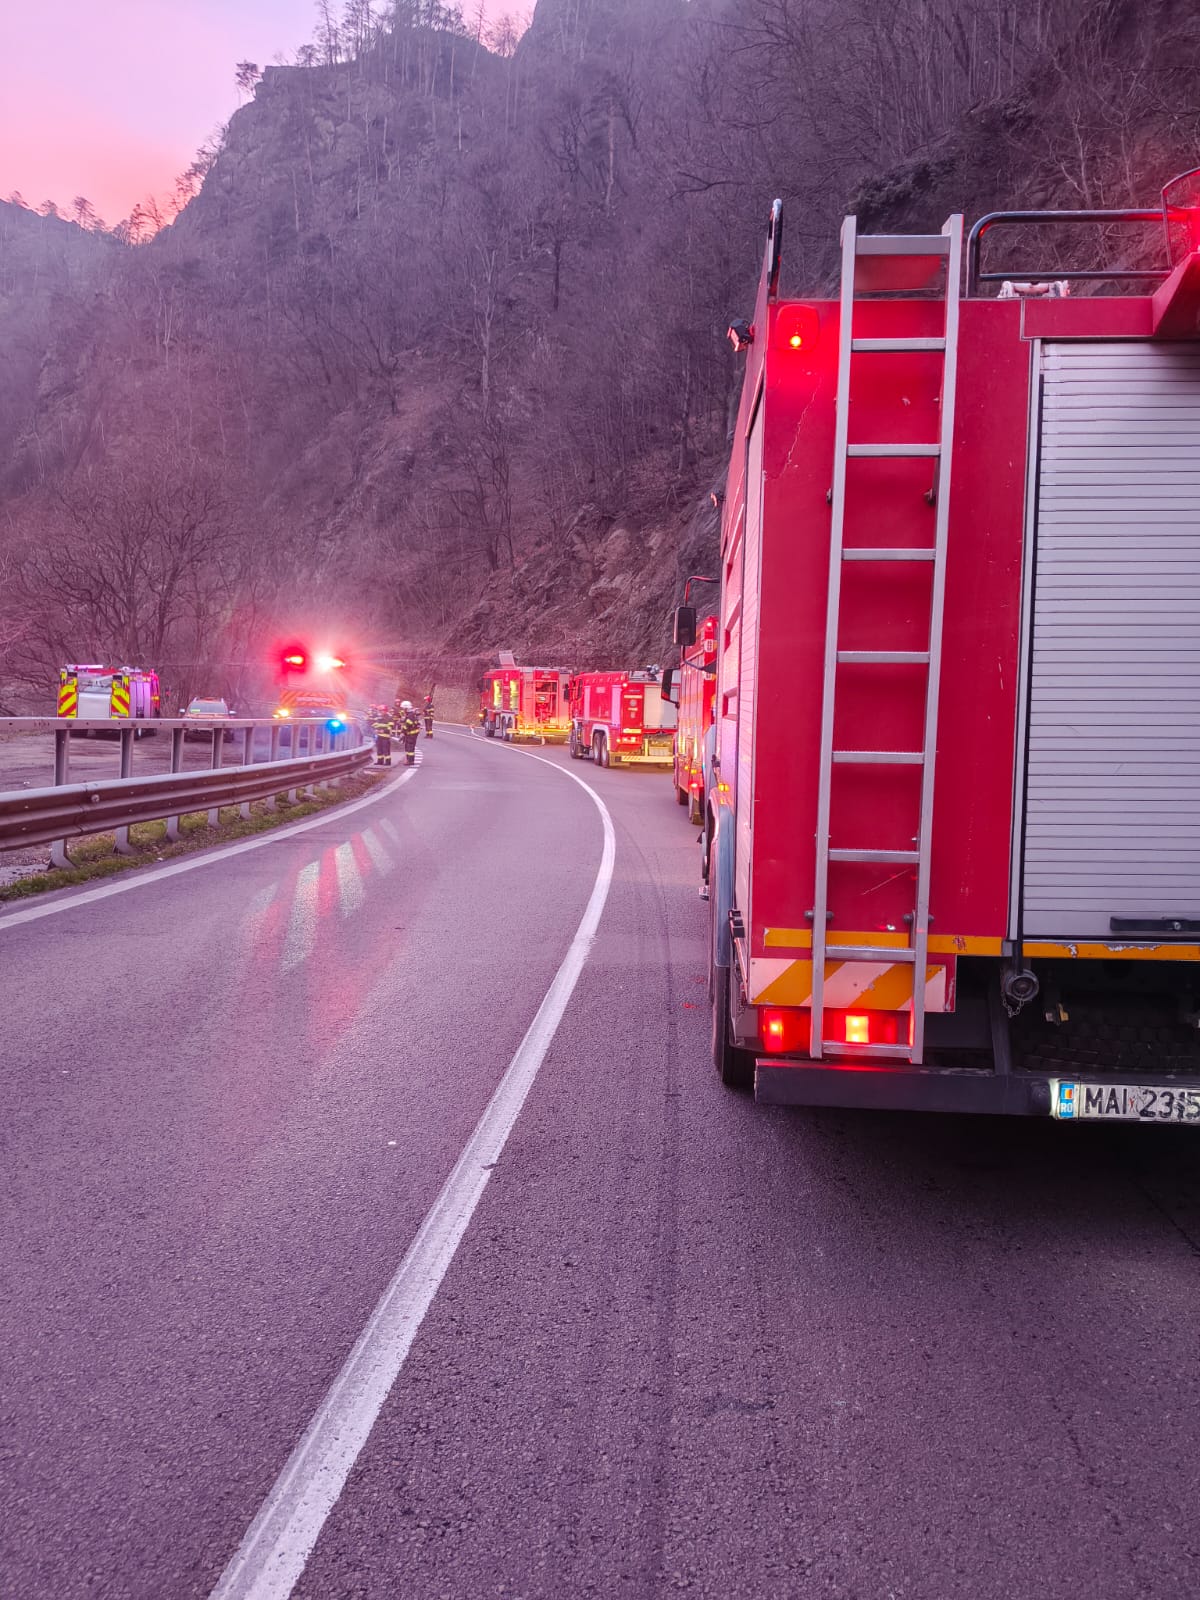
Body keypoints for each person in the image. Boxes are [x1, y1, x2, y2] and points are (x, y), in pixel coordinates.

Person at [397, 700, 421, 765]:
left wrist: (402, 733)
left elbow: (407, 725)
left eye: (403, 708)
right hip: (411, 734)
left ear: (406, 708)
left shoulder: (410, 716)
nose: (403, 710)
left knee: (410, 748)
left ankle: (410, 761)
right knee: (409, 747)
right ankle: (410, 760)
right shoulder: (410, 715)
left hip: (411, 735)